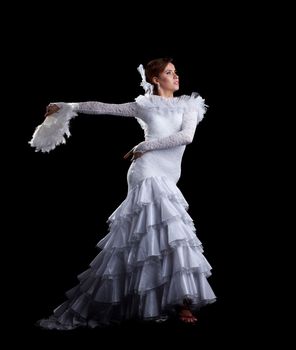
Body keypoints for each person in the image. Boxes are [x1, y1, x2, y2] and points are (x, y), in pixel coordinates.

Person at [29, 57, 216, 330]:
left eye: (176, 72)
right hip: (146, 172)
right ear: (155, 79)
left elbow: (186, 137)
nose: (176, 77)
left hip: (164, 170)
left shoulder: (189, 105)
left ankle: (156, 299)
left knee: (163, 235)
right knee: (168, 232)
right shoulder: (144, 106)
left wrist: (143, 144)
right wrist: (69, 106)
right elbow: (105, 107)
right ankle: (183, 302)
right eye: (169, 72)